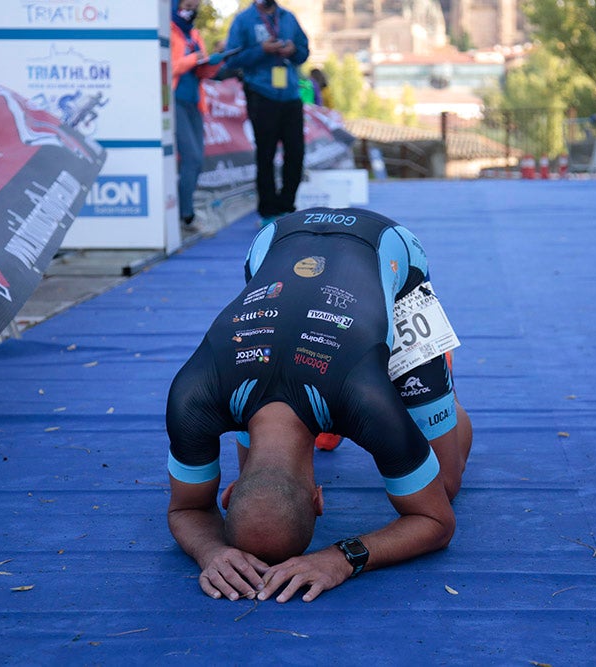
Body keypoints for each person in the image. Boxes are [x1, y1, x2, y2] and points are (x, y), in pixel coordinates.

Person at [165, 207, 473, 604]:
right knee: (263, 502)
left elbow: (437, 520)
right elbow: (185, 510)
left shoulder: (368, 401)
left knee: (443, 485)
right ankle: (329, 420)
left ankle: (432, 385)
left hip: (383, 244)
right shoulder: (192, 397)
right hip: (277, 242)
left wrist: (342, 559)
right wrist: (213, 550)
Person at [224, 0, 309, 226]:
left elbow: (304, 51)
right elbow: (232, 59)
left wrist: (294, 51)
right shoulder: (243, 20)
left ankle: (287, 205)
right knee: (266, 154)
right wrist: (261, 50)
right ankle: (269, 211)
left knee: (296, 152)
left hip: (290, 95)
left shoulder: (288, 17)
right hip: (261, 93)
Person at [171, 0, 223, 227]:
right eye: (188, 3)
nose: (192, 7)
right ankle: (186, 215)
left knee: (197, 160)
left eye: (196, 3)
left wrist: (217, 59)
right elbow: (170, 67)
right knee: (191, 157)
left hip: (194, 103)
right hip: (174, 101)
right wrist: (195, 58)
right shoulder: (168, 31)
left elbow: (203, 72)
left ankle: (185, 212)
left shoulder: (194, 33)